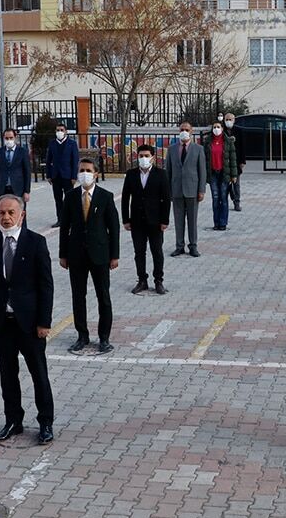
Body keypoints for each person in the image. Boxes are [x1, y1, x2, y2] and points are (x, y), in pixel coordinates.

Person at [0, 195, 55, 445]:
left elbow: (46, 285)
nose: (6, 217)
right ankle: (13, 420)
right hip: (2, 322)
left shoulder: (36, 242)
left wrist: (44, 322)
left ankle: (45, 422)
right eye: (1, 213)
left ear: (21, 214)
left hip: (30, 323)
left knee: (38, 373)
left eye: (11, 212)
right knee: (7, 374)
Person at [59, 158, 120, 354]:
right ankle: (82, 335)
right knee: (78, 296)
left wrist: (114, 255)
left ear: (95, 174)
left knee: (103, 296)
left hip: (100, 254)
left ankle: (104, 337)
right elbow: (64, 227)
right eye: (81, 170)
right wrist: (63, 254)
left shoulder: (105, 196)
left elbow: (114, 228)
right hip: (76, 254)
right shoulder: (70, 197)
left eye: (88, 170)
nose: (84, 173)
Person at [121, 144, 171, 295]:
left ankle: (159, 281)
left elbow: (166, 199)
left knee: (157, 251)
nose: (143, 159)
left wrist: (164, 221)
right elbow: (125, 198)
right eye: (141, 156)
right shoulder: (131, 174)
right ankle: (142, 279)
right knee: (139, 252)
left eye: (146, 156)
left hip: (155, 221)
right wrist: (126, 219)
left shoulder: (161, 174)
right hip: (137, 220)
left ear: (152, 157)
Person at [166, 121, 207, 257]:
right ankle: (179, 246)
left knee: (192, 220)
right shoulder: (172, 149)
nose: (184, 131)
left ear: (191, 132)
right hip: (176, 190)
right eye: (182, 129)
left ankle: (193, 246)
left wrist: (201, 190)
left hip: (192, 190)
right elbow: (168, 171)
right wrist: (168, 191)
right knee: (178, 220)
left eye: (187, 130)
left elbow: (202, 171)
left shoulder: (198, 149)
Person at [204, 120, 238, 231]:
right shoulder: (208, 142)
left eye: (218, 127)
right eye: (214, 127)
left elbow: (233, 159)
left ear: (222, 129)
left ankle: (223, 222)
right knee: (215, 198)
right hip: (213, 173)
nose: (216, 129)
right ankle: (216, 222)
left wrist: (234, 175)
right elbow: (204, 159)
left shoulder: (228, 142)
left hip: (224, 173)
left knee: (223, 198)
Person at [45, 122, 79, 228]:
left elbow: (75, 161)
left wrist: (74, 176)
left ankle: (71, 219)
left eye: (61, 130)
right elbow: (48, 160)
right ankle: (60, 219)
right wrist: (49, 175)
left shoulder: (72, 144)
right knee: (58, 199)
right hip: (56, 176)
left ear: (66, 132)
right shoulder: (52, 143)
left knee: (69, 198)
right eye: (57, 130)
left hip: (68, 176)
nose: (59, 132)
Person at [0, 129, 31, 204]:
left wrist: (27, 191)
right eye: (6, 138)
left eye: (11, 138)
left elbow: (27, 172)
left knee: (19, 212)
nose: (9, 140)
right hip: (3, 188)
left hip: (18, 188)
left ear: (15, 138)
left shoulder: (22, 152)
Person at [223, 113, 245, 212]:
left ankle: (237, 202)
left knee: (236, 183)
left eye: (230, 119)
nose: (228, 121)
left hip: (236, 161)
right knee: (225, 184)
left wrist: (242, 161)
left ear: (234, 120)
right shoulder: (221, 130)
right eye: (227, 119)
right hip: (224, 161)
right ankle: (224, 202)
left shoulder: (239, 131)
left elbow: (242, 146)